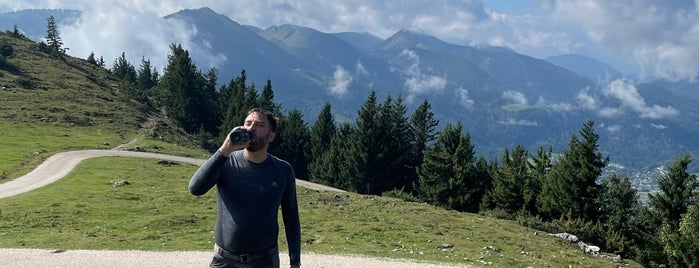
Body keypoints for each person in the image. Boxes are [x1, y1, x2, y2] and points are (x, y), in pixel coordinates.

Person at [189, 108, 301, 268]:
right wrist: (224, 149)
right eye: (248, 123)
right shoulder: (226, 161)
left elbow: (291, 217)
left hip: (264, 261)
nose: (251, 128)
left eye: (259, 125)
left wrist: (295, 261)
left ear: (271, 136)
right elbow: (195, 188)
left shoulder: (283, 170)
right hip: (224, 260)